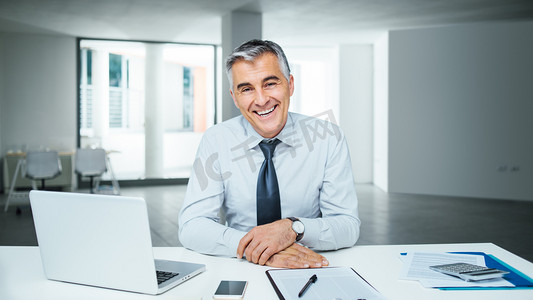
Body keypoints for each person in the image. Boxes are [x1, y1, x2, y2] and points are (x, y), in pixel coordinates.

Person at [178, 39, 360, 269]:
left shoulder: (328, 137)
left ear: (290, 84)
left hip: (306, 263)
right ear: (234, 97)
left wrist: (294, 228)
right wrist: (258, 249)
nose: (262, 100)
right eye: (246, 89)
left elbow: (348, 226)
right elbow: (192, 226)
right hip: (240, 264)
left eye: (270, 83)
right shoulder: (216, 140)